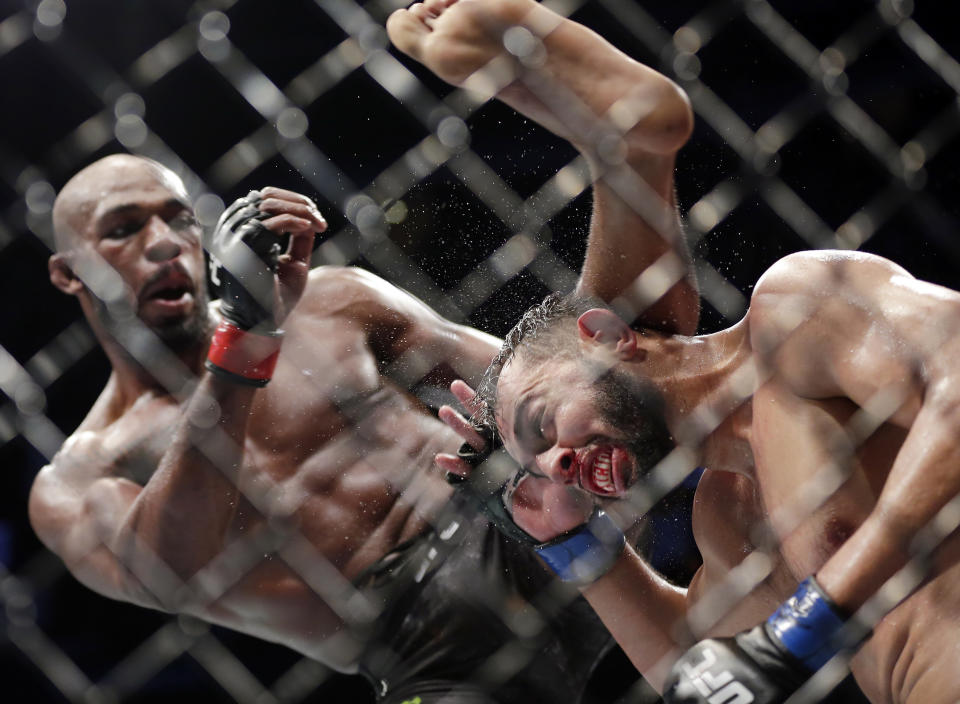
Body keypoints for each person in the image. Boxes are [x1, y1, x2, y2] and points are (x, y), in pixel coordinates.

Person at [28, 0, 701, 701]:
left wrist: (538, 421)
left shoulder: (332, 299)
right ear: (68, 271)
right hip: (425, 643)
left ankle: (625, 157)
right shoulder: (80, 478)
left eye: (177, 219)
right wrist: (247, 345)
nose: (163, 244)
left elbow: (521, 371)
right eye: (123, 230)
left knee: (604, 376)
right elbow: (169, 571)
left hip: (521, 513)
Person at [448, 252, 960, 704]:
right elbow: (702, 670)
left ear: (606, 338)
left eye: (542, 424)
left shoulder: (794, 312)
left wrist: (814, 617)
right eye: (539, 464)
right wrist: (573, 543)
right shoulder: (726, 510)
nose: (557, 465)